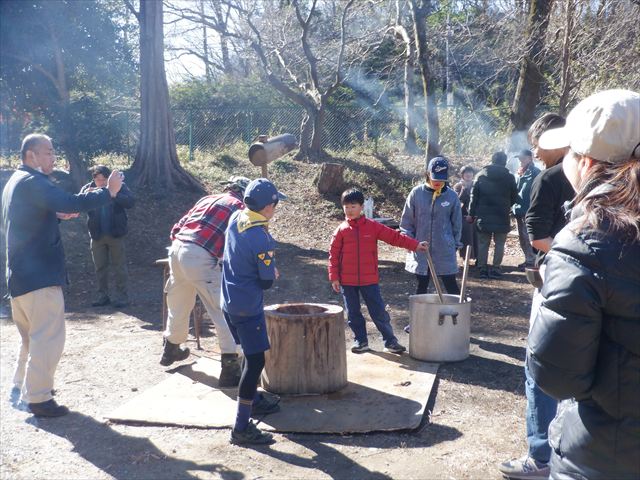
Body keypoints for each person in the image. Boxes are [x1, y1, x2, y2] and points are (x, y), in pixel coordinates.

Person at [527, 89, 640, 479]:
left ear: (586, 162)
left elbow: (557, 376)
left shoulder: (586, 242)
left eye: (569, 154)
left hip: (609, 455)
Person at [2, 133, 123, 417]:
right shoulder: (33, 181)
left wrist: (53, 216)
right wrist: (109, 192)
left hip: (20, 277)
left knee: (32, 338)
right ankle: (39, 399)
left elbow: (24, 217)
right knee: (48, 338)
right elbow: (70, 201)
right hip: (39, 276)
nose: (53, 157)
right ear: (31, 155)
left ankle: (22, 388)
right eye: (48, 152)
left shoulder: (15, 182)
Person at [499, 113, 572, 480]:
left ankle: (541, 456)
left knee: (539, 365)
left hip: (557, 279)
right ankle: (569, 451)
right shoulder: (609, 172)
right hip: (601, 284)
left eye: (538, 143)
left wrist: (576, 256)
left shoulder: (552, 178)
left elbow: (538, 236)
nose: (536, 152)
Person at [160, 176, 251, 388]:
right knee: (223, 312)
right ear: (244, 194)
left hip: (177, 250)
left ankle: (172, 347)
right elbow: (236, 243)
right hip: (200, 256)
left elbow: (177, 228)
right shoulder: (239, 208)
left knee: (179, 305)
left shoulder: (206, 199)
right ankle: (231, 367)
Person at [222, 178, 286, 445]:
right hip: (248, 307)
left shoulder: (236, 217)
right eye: (275, 204)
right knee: (256, 361)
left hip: (229, 301)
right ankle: (241, 426)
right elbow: (266, 282)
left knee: (249, 354)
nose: (276, 208)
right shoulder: (261, 237)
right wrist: (271, 272)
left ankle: (255, 401)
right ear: (269, 206)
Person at [329, 188, 428, 354]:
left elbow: (394, 237)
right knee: (353, 314)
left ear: (361, 207)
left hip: (369, 280)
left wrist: (415, 245)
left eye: (353, 206)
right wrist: (334, 277)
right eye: (346, 207)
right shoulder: (341, 230)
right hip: (347, 281)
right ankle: (361, 341)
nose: (349, 210)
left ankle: (390, 341)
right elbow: (333, 255)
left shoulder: (373, 227)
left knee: (379, 312)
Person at [401, 156, 462, 295]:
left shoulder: (452, 196)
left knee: (450, 284)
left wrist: (455, 244)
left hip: (444, 249)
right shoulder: (416, 193)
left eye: (441, 178)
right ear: (428, 174)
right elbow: (407, 221)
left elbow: (457, 223)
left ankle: (457, 314)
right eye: (435, 177)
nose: (438, 182)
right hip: (420, 247)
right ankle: (420, 315)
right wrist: (408, 241)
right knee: (421, 284)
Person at [80, 165, 135, 308]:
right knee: (100, 268)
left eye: (104, 179)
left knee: (119, 267)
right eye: (98, 179)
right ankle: (102, 296)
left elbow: (130, 202)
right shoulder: (88, 188)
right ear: (93, 179)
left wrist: (114, 193)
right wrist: (89, 195)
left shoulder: (118, 186)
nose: (101, 183)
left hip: (115, 234)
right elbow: (79, 205)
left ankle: (122, 297)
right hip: (97, 235)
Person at [468, 151, 518, 279]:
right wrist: (506, 206)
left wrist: (471, 214)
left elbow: (473, 198)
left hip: (483, 216)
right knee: (500, 243)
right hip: (502, 215)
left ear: (492, 160)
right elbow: (514, 197)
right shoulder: (510, 177)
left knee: (483, 243)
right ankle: (496, 268)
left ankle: (483, 268)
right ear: (505, 162)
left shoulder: (480, 176)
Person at [512, 150, 540, 270]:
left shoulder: (536, 173)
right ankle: (528, 259)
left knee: (529, 236)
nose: (520, 161)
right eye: (519, 159)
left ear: (530, 158)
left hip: (529, 209)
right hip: (518, 209)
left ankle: (533, 261)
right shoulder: (518, 173)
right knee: (522, 237)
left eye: (523, 158)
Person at [452, 164, 477, 262]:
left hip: (475, 215)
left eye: (470, 172)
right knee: (466, 237)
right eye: (466, 172)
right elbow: (457, 201)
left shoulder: (476, 184)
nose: (468, 174)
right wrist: (463, 188)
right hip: (463, 216)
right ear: (462, 175)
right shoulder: (458, 186)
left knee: (476, 237)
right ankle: (465, 258)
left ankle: (477, 257)